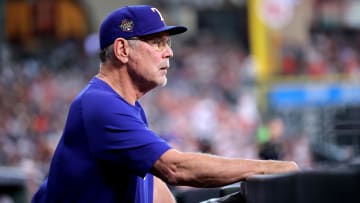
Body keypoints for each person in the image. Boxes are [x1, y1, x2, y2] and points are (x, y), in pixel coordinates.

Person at [31, 4, 299, 203]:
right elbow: (175, 168)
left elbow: (152, 184)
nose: (169, 51)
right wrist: (267, 167)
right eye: (157, 42)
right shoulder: (100, 104)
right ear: (123, 50)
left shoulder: (126, 106)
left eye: (167, 42)